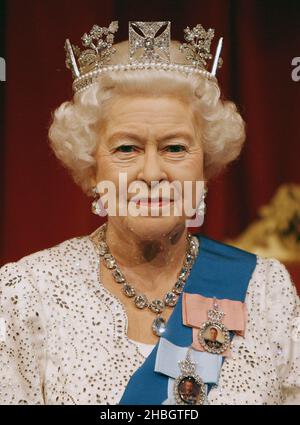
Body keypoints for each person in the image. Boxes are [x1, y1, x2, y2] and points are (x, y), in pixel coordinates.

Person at [0, 21, 299, 405]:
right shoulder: (26, 295)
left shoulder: (266, 290)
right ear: (92, 169)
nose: (153, 173)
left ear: (206, 166)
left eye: (175, 149)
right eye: (127, 149)